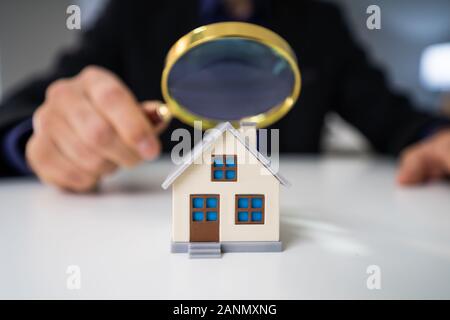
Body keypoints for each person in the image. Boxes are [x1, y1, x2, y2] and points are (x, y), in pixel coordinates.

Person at [0, 0, 449, 192]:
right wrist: (37, 138)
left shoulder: (320, 21)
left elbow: (394, 118)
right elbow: (23, 111)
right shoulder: (135, 11)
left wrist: (435, 136)